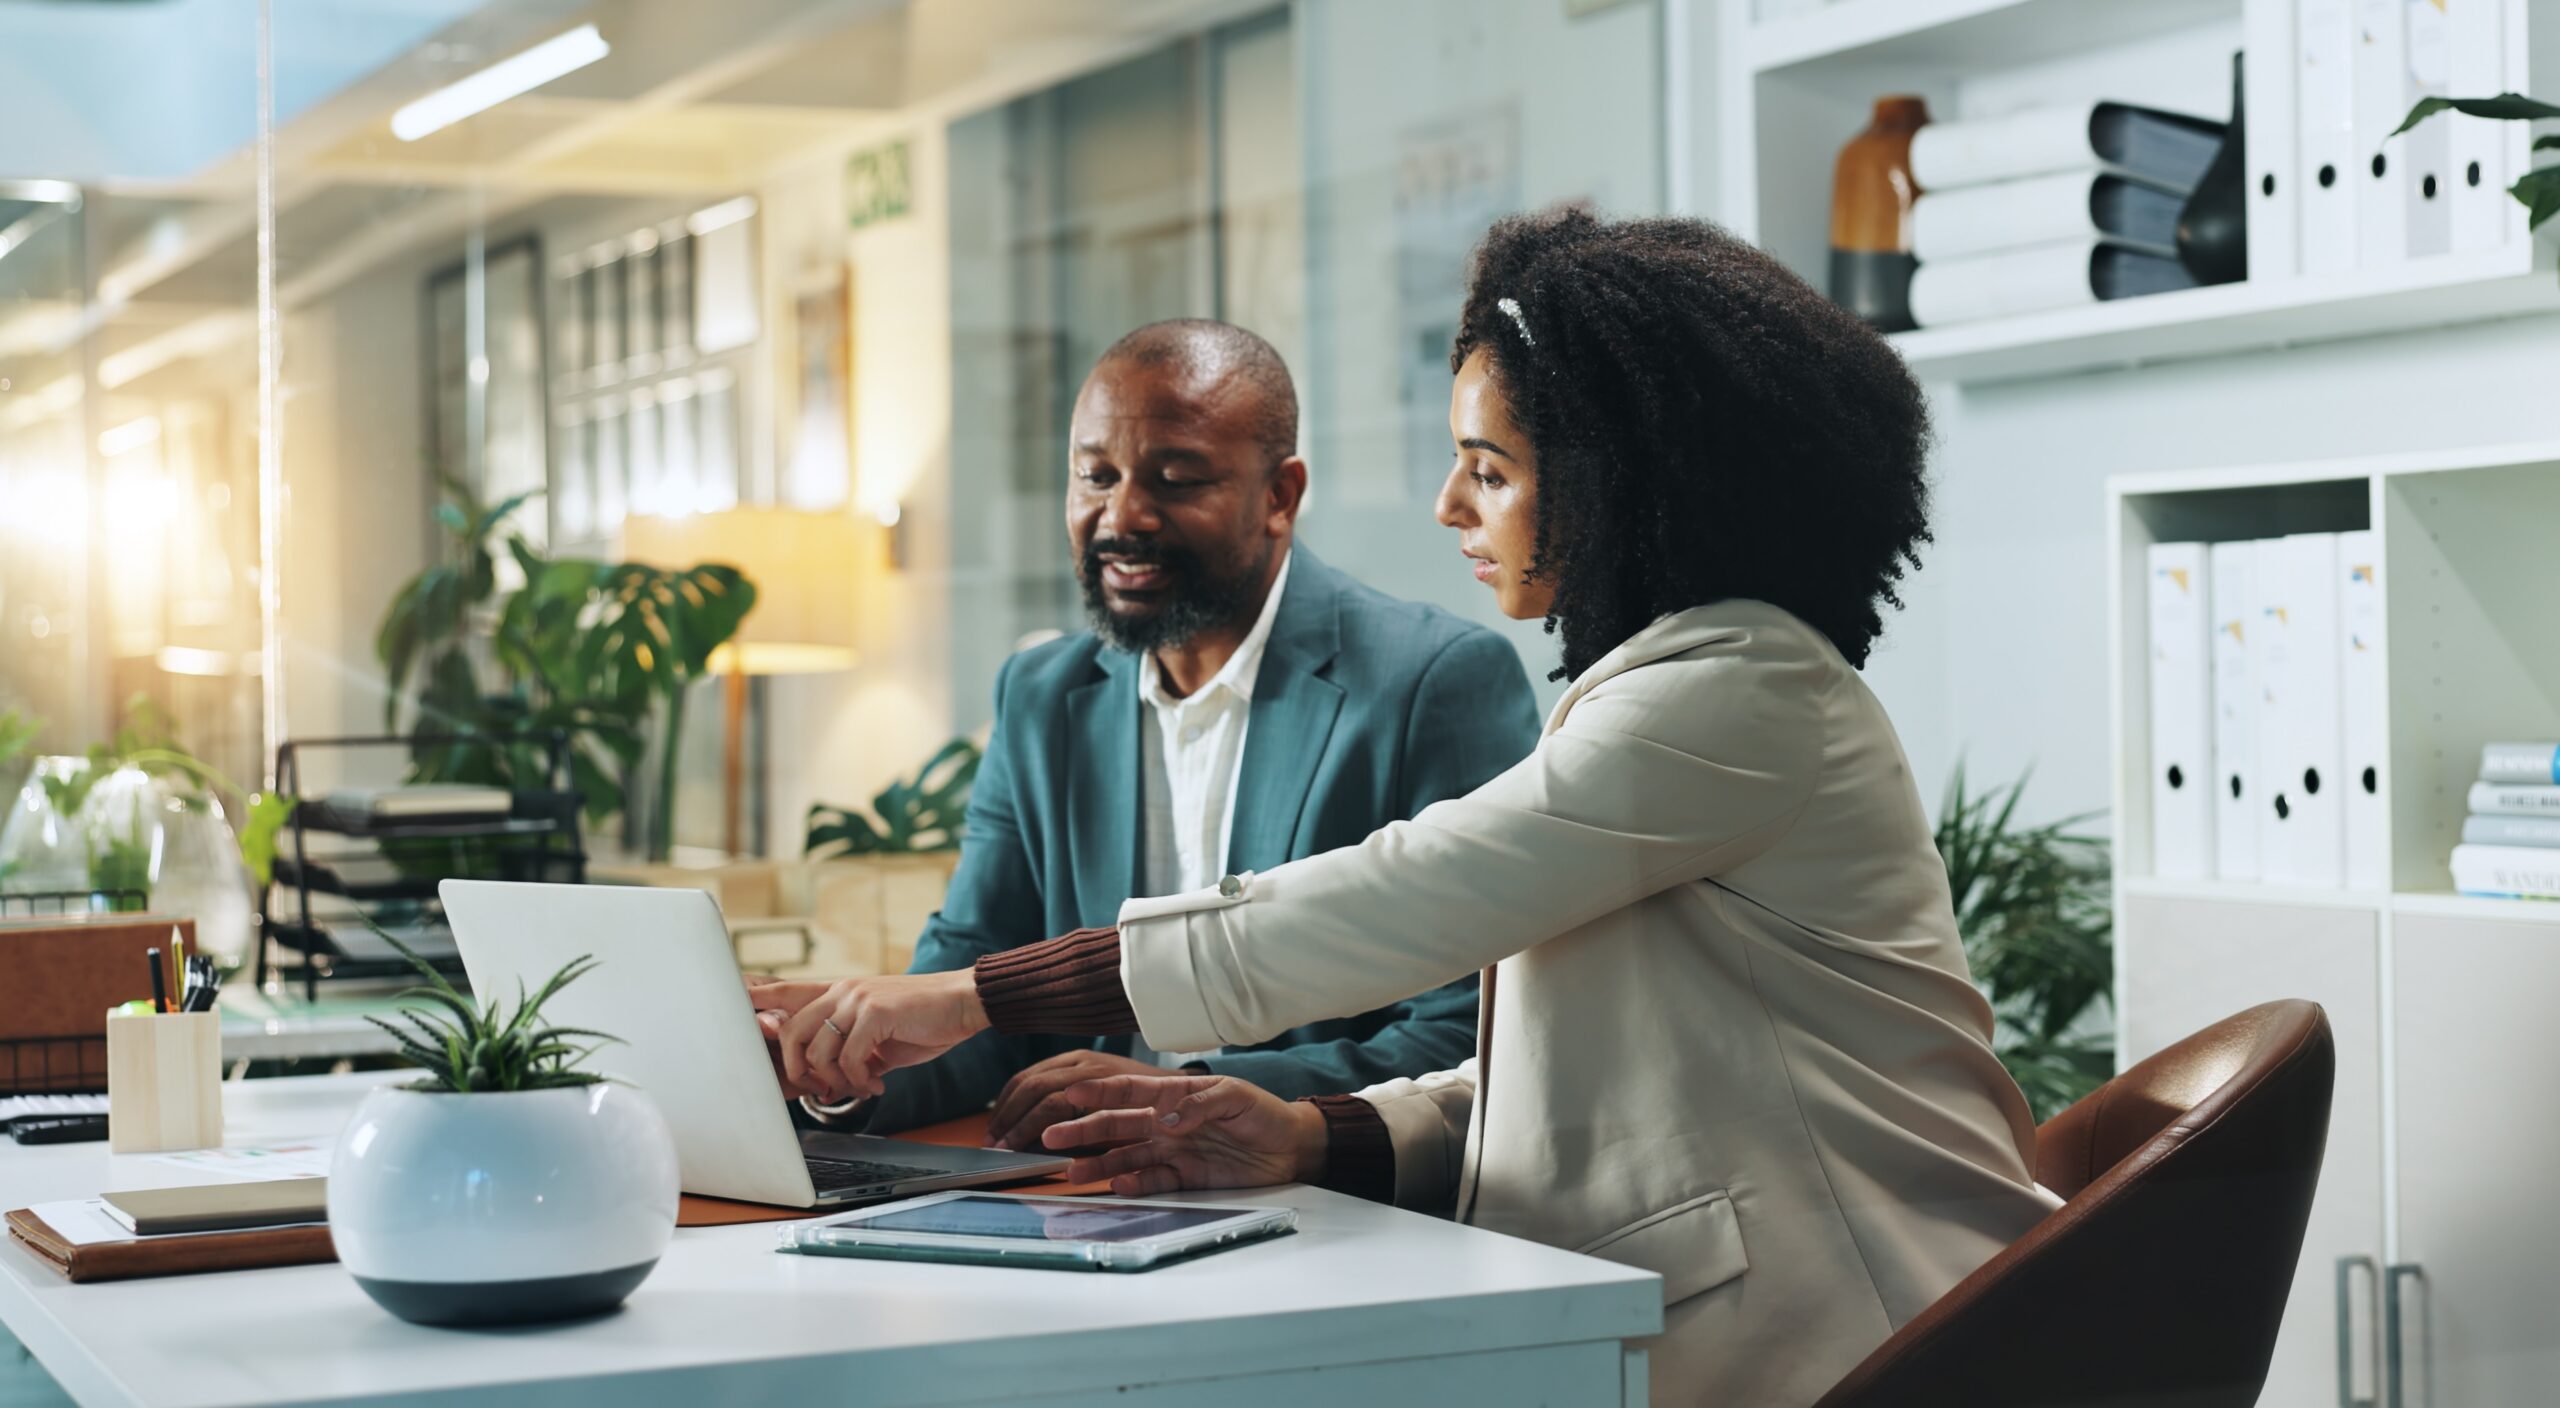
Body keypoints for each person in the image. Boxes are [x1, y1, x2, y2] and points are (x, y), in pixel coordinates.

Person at [756, 211, 2060, 1406]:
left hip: (1871, 1331)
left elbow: (1390, 900)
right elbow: (1562, 1087)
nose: (1448, 507)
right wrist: (1309, 1133)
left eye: (1488, 471)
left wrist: (979, 996)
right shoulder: (1666, 689)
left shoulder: (1742, 695)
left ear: (1619, 485)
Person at [763, 318, 1540, 1151]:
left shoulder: (1435, 681)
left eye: (1174, 479)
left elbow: (1476, 1028)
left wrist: (1187, 1097)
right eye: (1094, 475)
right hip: (1076, 1198)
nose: (1122, 514)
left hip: (1316, 1196)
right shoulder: (1040, 696)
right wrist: (832, 1071)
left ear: (1279, 497)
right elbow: (966, 994)